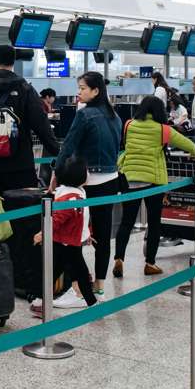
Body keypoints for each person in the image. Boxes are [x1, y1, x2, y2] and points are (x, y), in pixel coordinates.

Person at [52, 72, 122, 294]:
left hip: (87, 184)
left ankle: (77, 287)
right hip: (111, 181)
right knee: (102, 235)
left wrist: (56, 174)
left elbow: (68, 147)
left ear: (95, 91)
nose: (79, 91)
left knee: (74, 235)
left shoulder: (85, 115)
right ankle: (100, 286)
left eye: (82, 88)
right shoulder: (115, 117)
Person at [114, 95, 195, 274]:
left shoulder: (129, 125)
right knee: (154, 223)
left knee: (126, 222)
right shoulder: (163, 130)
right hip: (154, 181)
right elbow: (188, 144)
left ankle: (119, 259)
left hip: (130, 178)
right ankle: (150, 263)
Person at [0, 44, 60, 198]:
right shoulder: (25, 89)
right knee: (22, 217)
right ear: (13, 63)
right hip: (20, 165)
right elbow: (41, 125)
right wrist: (58, 152)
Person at [32, 155, 98, 316]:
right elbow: (57, 219)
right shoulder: (71, 196)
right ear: (79, 176)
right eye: (86, 171)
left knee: (55, 270)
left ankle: (40, 300)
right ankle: (92, 303)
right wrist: (43, 233)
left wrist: (87, 233)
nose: (89, 174)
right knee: (81, 272)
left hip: (68, 240)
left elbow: (83, 216)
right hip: (67, 242)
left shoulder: (75, 192)